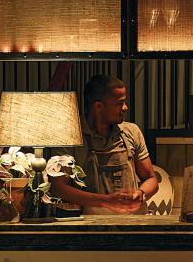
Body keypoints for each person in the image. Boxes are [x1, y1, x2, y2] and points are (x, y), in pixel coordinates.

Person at [50, 75, 161, 215]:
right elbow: (58, 187)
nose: (125, 108)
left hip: (134, 223)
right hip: (92, 227)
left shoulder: (131, 132)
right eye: (119, 103)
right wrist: (105, 201)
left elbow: (151, 179)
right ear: (99, 106)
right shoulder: (70, 136)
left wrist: (141, 194)